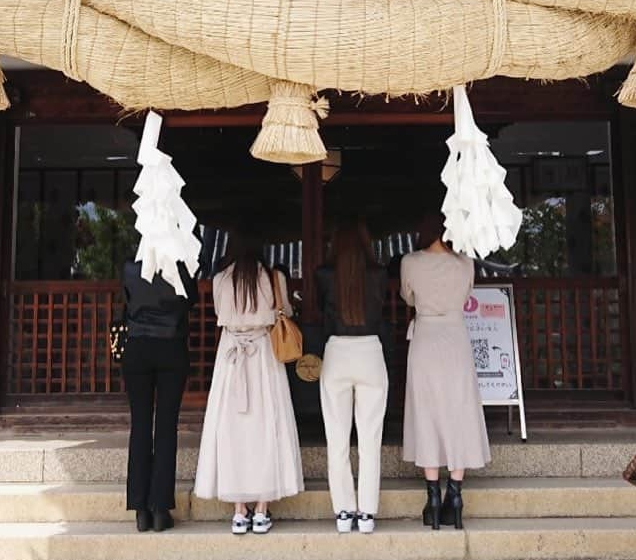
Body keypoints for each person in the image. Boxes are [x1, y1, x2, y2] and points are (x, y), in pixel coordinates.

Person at [193, 228, 304, 534]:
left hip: (231, 357)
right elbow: (287, 312)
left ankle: (239, 510)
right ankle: (262, 509)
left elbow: (220, 313)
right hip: (263, 356)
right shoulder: (272, 278)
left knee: (231, 431)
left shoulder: (220, 280)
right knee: (267, 429)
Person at [400, 213, 491, 530]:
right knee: (459, 411)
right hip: (455, 338)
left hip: (425, 339)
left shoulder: (410, 262)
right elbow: (466, 296)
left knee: (428, 412)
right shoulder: (466, 263)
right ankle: (455, 494)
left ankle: (433, 497)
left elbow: (407, 296)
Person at [315, 222, 390, 535]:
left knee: (337, 438)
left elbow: (322, 310)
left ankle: (344, 510)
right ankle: (367, 512)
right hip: (370, 350)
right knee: (370, 439)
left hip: (337, 351)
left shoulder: (323, 275)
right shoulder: (379, 274)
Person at [121, 258, 198, 533]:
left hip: (137, 345)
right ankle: (160, 509)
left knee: (140, 426)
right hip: (171, 346)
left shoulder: (130, 269)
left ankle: (140, 509)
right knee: (166, 427)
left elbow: (127, 302)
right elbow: (191, 301)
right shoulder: (180, 270)